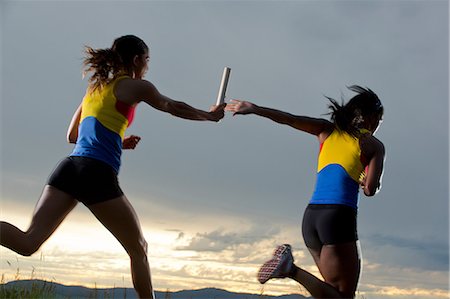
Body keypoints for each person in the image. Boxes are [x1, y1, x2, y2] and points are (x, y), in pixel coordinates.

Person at [0, 35, 225, 299]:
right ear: (137, 60)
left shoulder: (94, 89)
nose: (147, 67)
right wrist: (208, 116)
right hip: (96, 173)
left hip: (69, 168)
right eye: (147, 60)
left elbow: (73, 136)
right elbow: (170, 105)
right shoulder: (134, 86)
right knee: (138, 248)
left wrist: (119, 140)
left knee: (28, 243)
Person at [225, 85, 385, 299]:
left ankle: (289, 268)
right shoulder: (373, 145)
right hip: (338, 217)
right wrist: (368, 180)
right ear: (373, 119)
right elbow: (370, 191)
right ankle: (290, 269)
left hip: (311, 219)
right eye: (379, 122)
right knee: (344, 296)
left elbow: (290, 119)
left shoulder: (326, 131)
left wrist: (255, 109)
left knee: (332, 293)